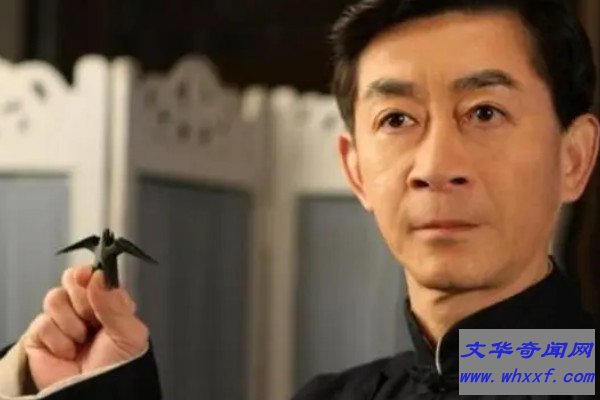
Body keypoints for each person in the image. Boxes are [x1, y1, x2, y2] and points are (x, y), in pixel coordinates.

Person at [0, 0, 598, 398]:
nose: (436, 167)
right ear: (355, 170)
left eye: (485, 112)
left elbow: (557, 364)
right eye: (396, 119)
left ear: (573, 158)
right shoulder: (331, 396)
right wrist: (101, 387)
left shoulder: (578, 370)